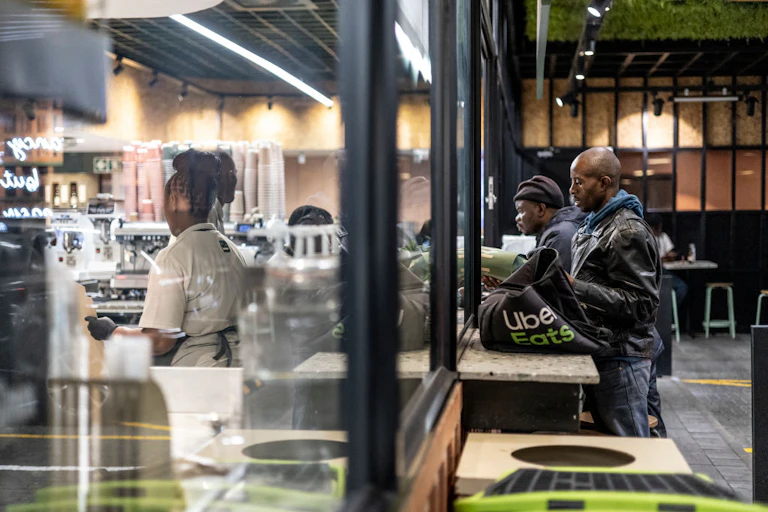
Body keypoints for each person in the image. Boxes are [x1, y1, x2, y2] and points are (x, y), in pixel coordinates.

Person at [85, 150, 247, 367]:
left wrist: (113, 331)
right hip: (237, 364)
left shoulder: (173, 256)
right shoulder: (233, 250)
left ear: (173, 201)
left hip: (202, 373)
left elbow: (160, 340)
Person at [568, 147, 661, 437]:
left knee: (630, 450)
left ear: (605, 183)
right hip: (603, 353)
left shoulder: (625, 231)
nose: (572, 190)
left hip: (622, 359)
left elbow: (642, 304)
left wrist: (575, 287)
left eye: (578, 182)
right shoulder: (594, 224)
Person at [514, 175, 587, 271]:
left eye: (521, 211)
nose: (517, 218)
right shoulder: (555, 233)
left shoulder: (560, 237)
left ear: (541, 209)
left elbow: (558, 284)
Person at [645, 213, 688, 307]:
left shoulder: (663, 236)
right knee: (681, 287)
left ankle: (667, 311)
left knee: (681, 287)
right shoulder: (645, 238)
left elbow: (670, 253)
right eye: (658, 227)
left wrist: (669, 256)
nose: (660, 229)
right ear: (652, 227)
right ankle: (665, 311)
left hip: (664, 271)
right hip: (651, 274)